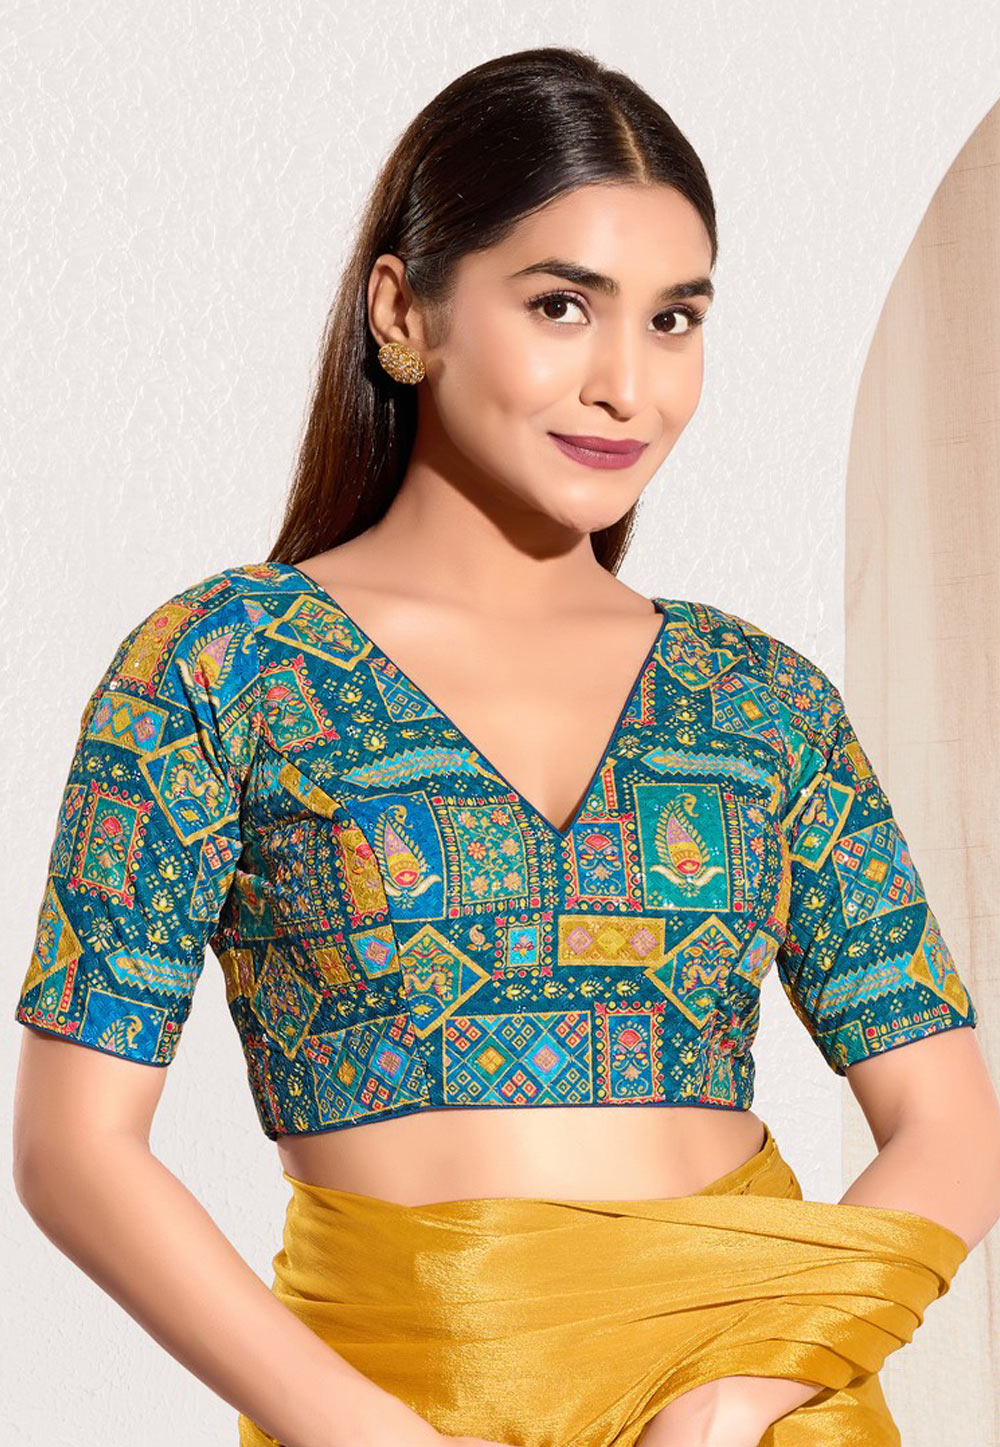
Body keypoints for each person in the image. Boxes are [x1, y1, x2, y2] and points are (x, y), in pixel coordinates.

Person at [11, 44, 1000, 1447]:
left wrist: (746, 1391)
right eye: (561, 305)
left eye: (675, 319)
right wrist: (364, 1432)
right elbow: (74, 1150)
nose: (627, 385)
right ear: (402, 311)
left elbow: (954, 1126)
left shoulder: (758, 701)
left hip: (755, 1411)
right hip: (400, 1410)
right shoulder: (221, 669)